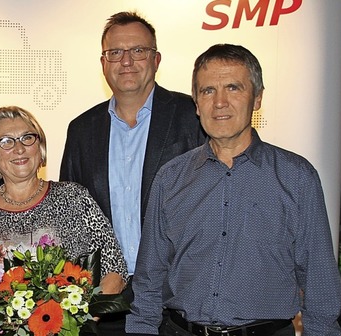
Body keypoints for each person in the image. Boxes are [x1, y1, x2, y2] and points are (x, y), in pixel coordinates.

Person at [126, 44, 341, 336]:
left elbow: (320, 287)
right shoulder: (170, 179)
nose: (219, 102)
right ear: (196, 102)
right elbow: (148, 282)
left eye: (233, 88)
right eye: (207, 91)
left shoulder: (297, 178)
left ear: (257, 98)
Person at [59, 11, 206, 334]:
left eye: (138, 51)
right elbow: (70, 217)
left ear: (156, 59)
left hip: (178, 299)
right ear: (103, 62)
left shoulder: (192, 118)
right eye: (115, 52)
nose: (126, 61)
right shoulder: (82, 130)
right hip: (106, 300)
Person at [0, 106, 128, 335]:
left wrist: (75, 320)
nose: (19, 148)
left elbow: (115, 269)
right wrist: (9, 317)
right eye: (6, 141)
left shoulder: (74, 199)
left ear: (40, 148)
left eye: (27, 138)